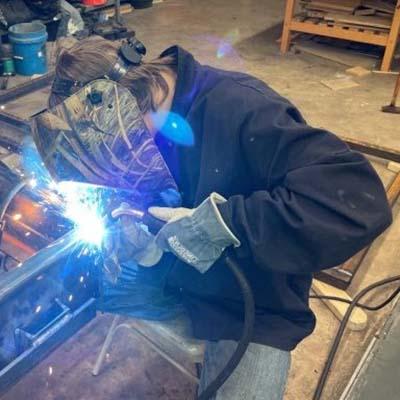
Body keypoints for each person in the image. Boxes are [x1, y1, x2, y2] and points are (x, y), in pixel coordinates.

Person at [45, 36, 392, 399]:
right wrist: (125, 224)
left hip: (251, 303)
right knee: (69, 294)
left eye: (113, 144)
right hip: (173, 273)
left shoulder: (242, 107)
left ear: (124, 105)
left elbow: (359, 202)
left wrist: (224, 223)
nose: (119, 155)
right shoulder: (146, 125)